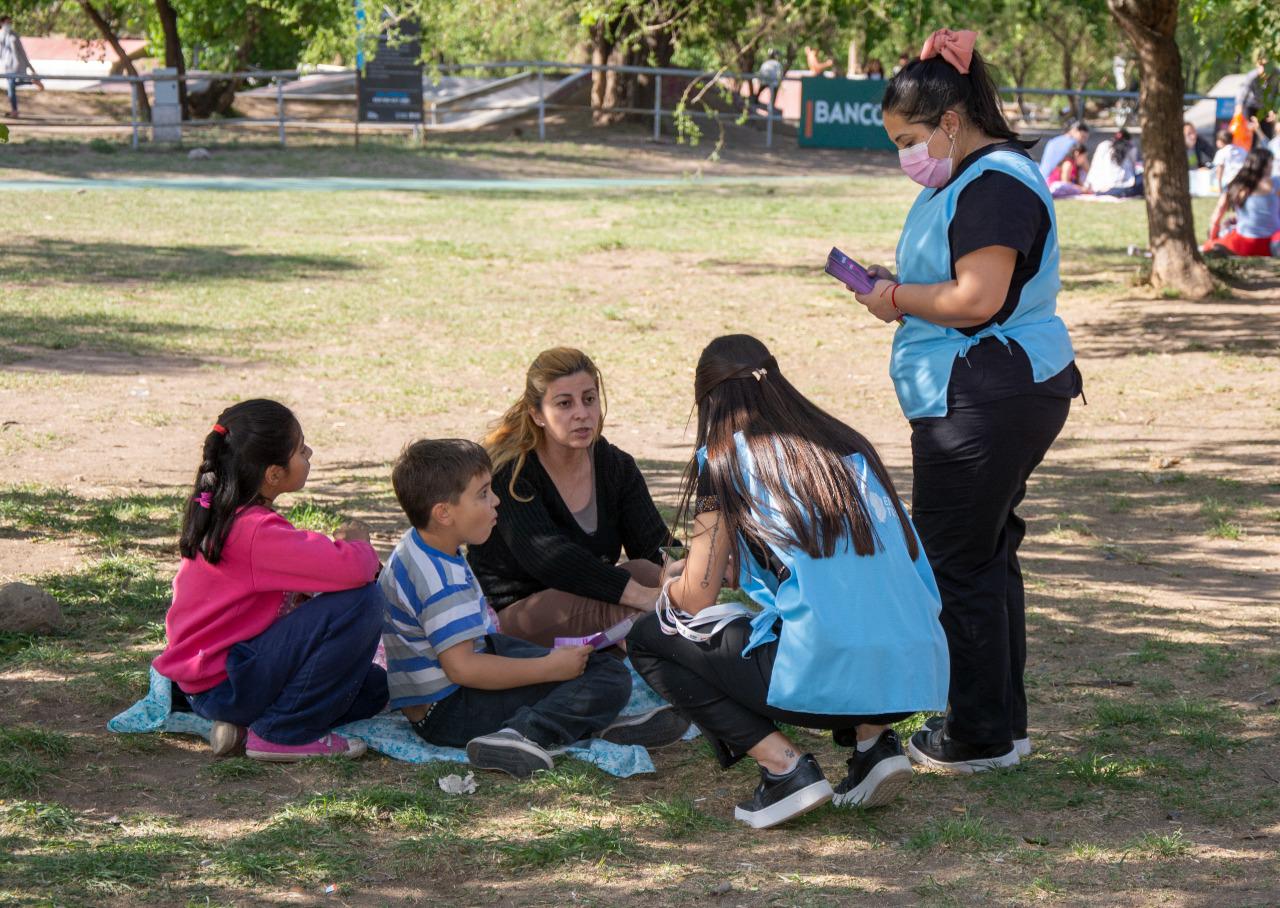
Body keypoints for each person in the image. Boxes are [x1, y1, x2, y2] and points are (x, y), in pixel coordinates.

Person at [850, 28, 1082, 773]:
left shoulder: (994, 183)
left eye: (908, 139)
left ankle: (977, 736)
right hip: (992, 389)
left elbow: (975, 298)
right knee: (985, 555)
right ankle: (999, 724)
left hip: (984, 393)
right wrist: (902, 290)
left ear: (950, 122)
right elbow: (959, 286)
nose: (904, 156)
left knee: (956, 562)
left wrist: (895, 298)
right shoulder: (973, 177)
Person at [628, 335, 949, 829]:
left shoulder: (726, 459)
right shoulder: (845, 444)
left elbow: (696, 595)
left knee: (650, 637)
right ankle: (875, 743)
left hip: (827, 676)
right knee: (849, 612)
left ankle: (785, 769)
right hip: (912, 670)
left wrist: (666, 588)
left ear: (708, 402)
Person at [379, 439, 684, 779]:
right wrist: (547, 668)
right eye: (483, 494)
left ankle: (589, 723)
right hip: (449, 711)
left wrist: (550, 664)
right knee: (609, 678)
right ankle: (523, 735)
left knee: (591, 666)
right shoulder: (440, 581)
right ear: (444, 513)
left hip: (444, 694)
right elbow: (463, 668)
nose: (496, 500)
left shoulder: (418, 546)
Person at [153, 399, 388, 762]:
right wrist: (360, 543)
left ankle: (244, 727)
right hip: (227, 684)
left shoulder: (225, 514)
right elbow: (354, 570)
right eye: (300, 449)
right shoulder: (254, 531)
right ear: (274, 474)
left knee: (372, 688)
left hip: (213, 683)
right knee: (363, 600)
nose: (309, 453)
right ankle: (283, 734)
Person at [467, 348, 670, 649]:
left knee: (651, 574)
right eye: (564, 403)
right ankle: (689, 669)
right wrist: (642, 596)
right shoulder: (512, 477)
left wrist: (696, 573)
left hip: (584, 597)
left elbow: (655, 546)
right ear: (537, 414)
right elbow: (552, 559)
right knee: (628, 609)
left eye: (589, 399)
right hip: (510, 617)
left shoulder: (615, 466)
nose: (582, 413)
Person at [1203, 147, 1280, 257]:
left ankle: (1218, 246)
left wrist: (1211, 238)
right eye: (1271, 163)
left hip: (1244, 243)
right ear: (1266, 165)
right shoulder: (1276, 183)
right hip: (1272, 242)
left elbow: (1217, 214)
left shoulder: (1235, 186)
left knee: (1215, 242)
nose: (1272, 166)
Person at [0, 15, 43, 119]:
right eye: (7, 22)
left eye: (10, 22)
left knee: (11, 87)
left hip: (16, 65)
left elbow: (22, 52)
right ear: (1, 23)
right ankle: (31, 81)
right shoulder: (1, 36)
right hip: (7, 66)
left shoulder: (14, 35)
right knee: (12, 86)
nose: (9, 24)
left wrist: (30, 67)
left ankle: (14, 111)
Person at [1084, 129, 1142, 197]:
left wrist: (1087, 185)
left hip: (1099, 189)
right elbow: (1133, 169)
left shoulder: (1103, 145)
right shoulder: (1130, 148)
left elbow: (1094, 166)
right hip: (1120, 188)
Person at [1213, 127, 1249, 191]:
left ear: (1220, 141)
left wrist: (1219, 184)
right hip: (1243, 180)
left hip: (1228, 181)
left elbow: (1220, 168)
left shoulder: (1221, 152)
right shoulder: (1242, 150)